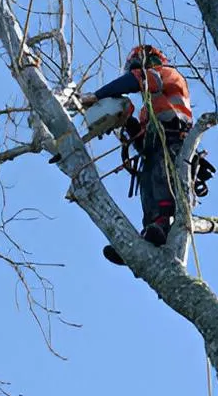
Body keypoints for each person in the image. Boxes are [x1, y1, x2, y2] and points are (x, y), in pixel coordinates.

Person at [80, 45, 193, 263]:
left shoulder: (167, 74)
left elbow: (135, 80)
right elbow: (141, 143)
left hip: (173, 139)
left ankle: (162, 224)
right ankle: (150, 232)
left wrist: (97, 96)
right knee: (147, 183)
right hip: (155, 146)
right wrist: (127, 122)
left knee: (161, 179)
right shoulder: (147, 109)